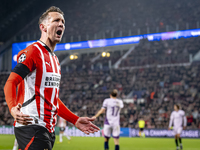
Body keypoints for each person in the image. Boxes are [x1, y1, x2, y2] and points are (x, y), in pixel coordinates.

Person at [4, 6, 99, 150]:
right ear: (43, 27)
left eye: (63, 22)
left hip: (48, 128)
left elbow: (52, 99)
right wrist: (12, 108)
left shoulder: (55, 60)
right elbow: (10, 82)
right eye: (56, 20)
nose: (61, 24)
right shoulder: (32, 52)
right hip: (32, 125)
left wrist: (75, 120)